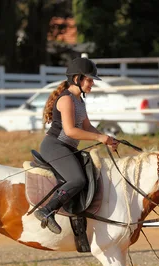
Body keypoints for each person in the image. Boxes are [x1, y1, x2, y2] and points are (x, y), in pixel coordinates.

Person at [34, 57, 119, 234]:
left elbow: (86, 127)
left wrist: (106, 138)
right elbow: (71, 131)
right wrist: (99, 137)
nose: (92, 84)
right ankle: (47, 210)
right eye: (89, 80)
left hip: (67, 147)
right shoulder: (66, 100)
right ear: (77, 79)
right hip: (55, 146)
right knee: (77, 180)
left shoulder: (79, 100)